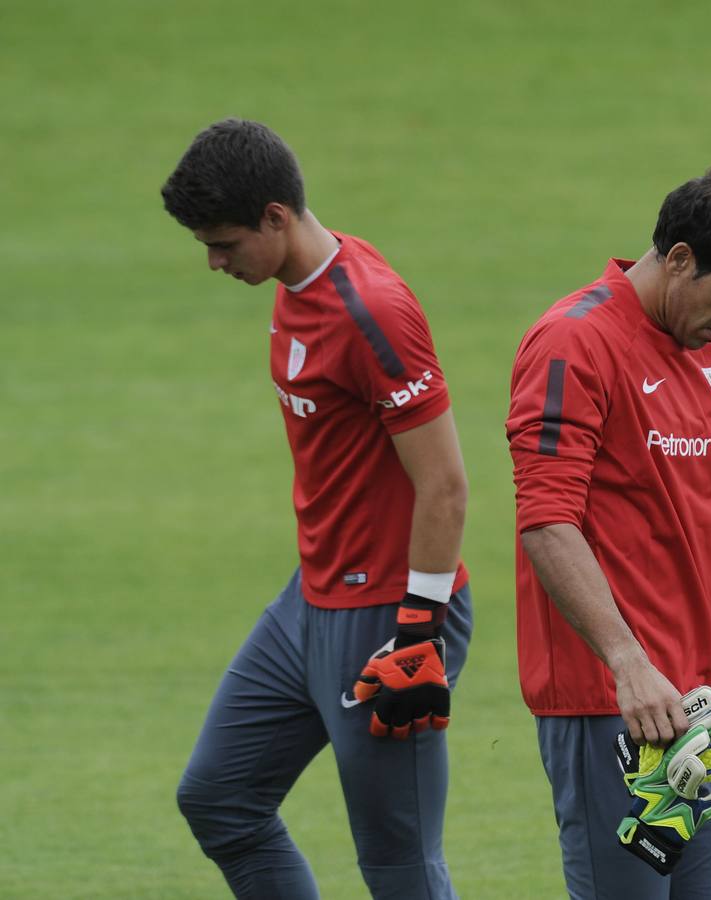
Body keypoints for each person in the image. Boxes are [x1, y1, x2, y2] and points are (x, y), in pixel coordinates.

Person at [162, 118, 473, 899]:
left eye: (224, 243)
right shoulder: (296, 284)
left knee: (399, 865)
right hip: (311, 601)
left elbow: (445, 483)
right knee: (219, 799)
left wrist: (417, 630)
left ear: (275, 217)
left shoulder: (371, 312)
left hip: (386, 616)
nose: (213, 262)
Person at [505, 168, 711, 899]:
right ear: (680, 259)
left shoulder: (709, 358)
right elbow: (547, 521)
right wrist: (626, 661)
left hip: (703, 711)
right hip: (615, 706)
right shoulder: (573, 344)